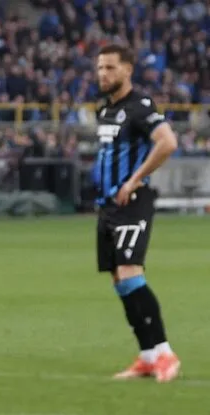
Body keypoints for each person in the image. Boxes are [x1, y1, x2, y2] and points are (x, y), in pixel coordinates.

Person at [91, 44, 180, 381]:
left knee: (130, 273)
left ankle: (165, 353)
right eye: (100, 68)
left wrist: (134, 180)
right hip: (108, 207)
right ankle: (146, 356)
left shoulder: (140, 107)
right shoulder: (104, 110)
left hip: (133, 202)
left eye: (110, 68)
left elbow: (167, 142)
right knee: (119, 281)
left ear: (127, 70)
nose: (103, 74)